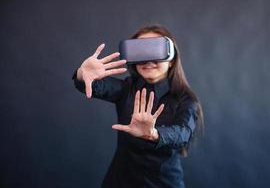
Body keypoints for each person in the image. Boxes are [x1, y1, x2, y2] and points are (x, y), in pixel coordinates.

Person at [72, 25, 203, 188]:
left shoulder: (186, 100)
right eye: (141, 52)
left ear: (171, 61)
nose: (148, 60)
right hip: (120, 182)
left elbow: (183, 134)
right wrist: (82, 74)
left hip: (164, 183)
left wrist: (154, 134)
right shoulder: (126, 88)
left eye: (155, 50)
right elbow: (92, 86)